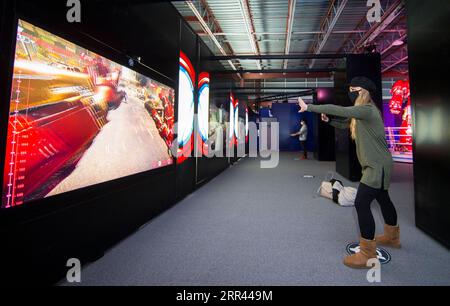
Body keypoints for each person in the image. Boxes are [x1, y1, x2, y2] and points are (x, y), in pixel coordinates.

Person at [298, 76, 400, 269]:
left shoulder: (367, 110)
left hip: (376, 166)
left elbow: (341, 110)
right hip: (378, 165)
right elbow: (346, 123)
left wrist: (311, 107)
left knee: (361, 204)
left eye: (354, 89)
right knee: (384, 199)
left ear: (363, 91)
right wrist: (329, 122)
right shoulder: (363, 113)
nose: (350, 92)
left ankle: (367, 254)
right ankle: (391, 237)